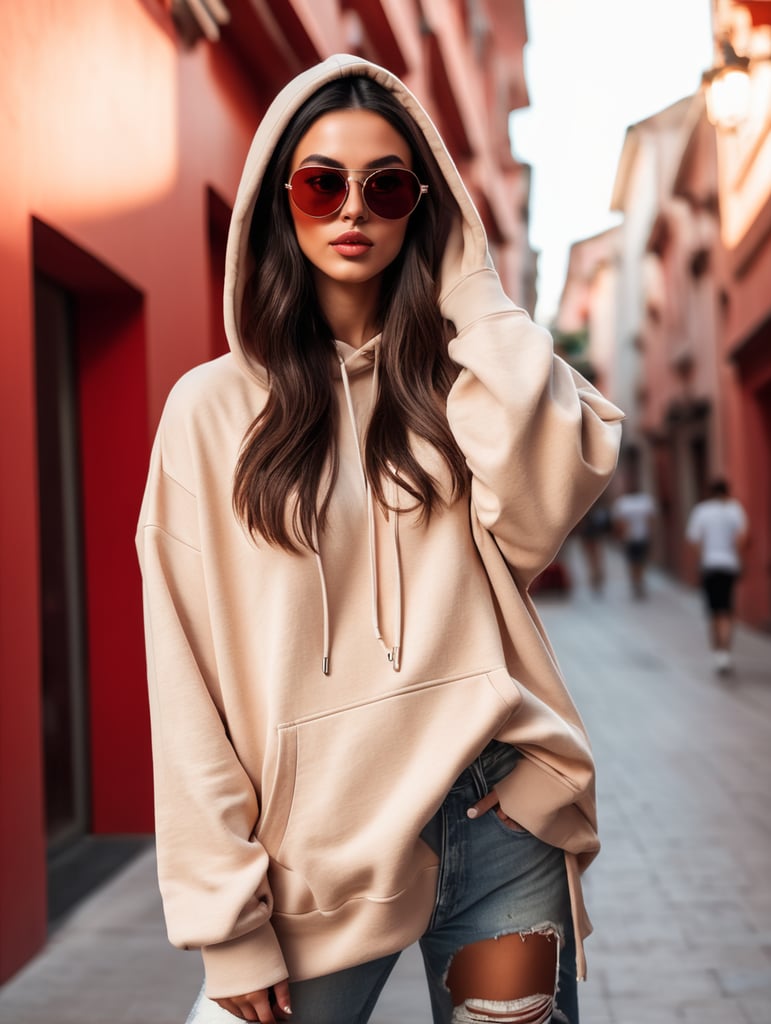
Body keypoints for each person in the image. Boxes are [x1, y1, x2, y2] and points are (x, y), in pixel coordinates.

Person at [136, 54, 623, 1024]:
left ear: (422, 211)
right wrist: (225, 919)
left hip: (496, 828)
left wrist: (470, 283)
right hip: (310, 859)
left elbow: (548, 495)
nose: (353, 209)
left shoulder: (461, 389)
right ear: (279, 204)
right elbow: (183, 677)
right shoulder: (209, 410)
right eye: (322, 184)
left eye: (387, 186)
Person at [686, 479, 749, 674]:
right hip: (729, 565)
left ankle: (718, 654)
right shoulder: (735, 510)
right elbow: (742, 538)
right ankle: (726, 653)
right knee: (727, 610)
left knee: (714, 611)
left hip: (710, 565)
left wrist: (703, 557)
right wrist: (738, 558)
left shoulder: (702, 510)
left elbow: (693, 539)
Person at [611, 484, 656, 598]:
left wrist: (620, 537)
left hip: (632, 537)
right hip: (639, 537)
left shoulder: (623, 503)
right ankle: (638, 581)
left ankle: (636, 581)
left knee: (634, 561)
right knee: (639, 561)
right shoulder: (645, 501)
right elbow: (650, 520)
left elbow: (618, 523)